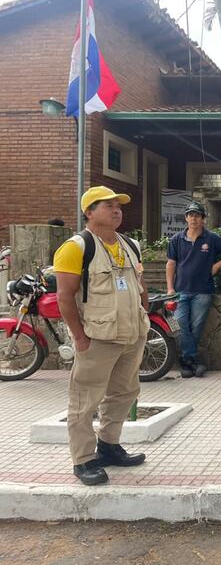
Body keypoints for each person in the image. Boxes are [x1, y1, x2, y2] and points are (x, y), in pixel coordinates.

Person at [53, 186, 149, 486]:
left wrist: (144, 314)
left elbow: (140, 284)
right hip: (97, 337)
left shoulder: (130, 245)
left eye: (118, 205)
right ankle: (83, 459)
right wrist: (79, 337)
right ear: (89, 212)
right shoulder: (76, 247)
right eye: (108, 206)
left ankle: (108, 445)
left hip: (132, 334)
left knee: (125, 393)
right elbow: (64, 297)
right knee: (85, 400)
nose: (116, 210)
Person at [166, 201, 221, 378]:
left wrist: (217, 266)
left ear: (203, 219)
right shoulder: (176, 239)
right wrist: (169, 288)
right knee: (180, 325)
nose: (194, 219)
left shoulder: (211, 238)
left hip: (203, 291)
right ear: (186, 218)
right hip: (180, 291)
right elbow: (171, 264)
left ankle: (187, 363)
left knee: (196, 327)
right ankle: (190, 361)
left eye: (197, 216)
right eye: (190, 215)